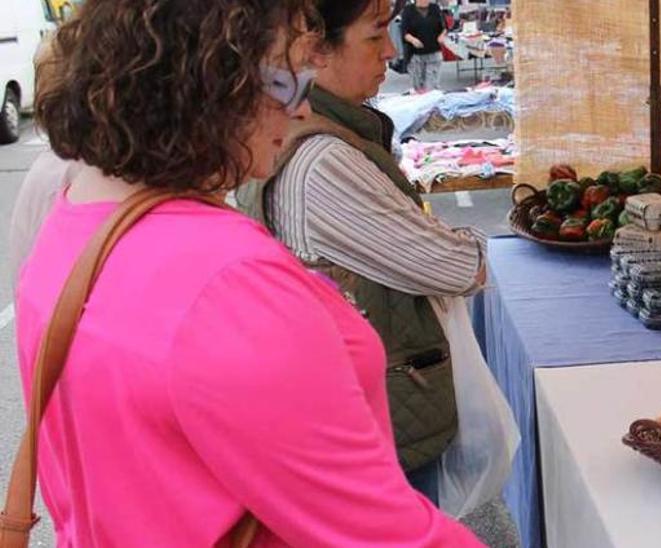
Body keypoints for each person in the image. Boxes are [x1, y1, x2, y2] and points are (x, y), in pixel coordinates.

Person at [12, 0, 481, 545]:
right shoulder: (226, 282)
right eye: (288, 82)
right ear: (214, 82)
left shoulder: (76, 223)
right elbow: (386, 534)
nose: (302, 109)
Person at [234, 1, 517, 545]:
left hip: (372, 411)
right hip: (379, 421)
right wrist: (461, 242)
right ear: (314, 50)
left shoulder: (321, 138)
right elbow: (458, 265)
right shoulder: (321, 161)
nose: (389, 50)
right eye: (372, 37)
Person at [402, 0, 448, 93]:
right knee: (417, 88)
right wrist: (413, 40)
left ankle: (432, 105)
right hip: (415, 55)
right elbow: (404, 32)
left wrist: (442, 35)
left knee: (432, 88)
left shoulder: (435, 8)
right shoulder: (408, 10)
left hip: (434, 52)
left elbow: (444, 27)